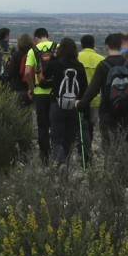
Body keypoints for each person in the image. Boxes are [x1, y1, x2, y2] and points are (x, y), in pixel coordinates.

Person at [78, 33, 128, 179]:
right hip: (127, 113)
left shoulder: (104, 65)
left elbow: (93, 90)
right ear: (120, 46)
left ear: (106, 46)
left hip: (108, 113)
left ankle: (112, 177)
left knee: (109, 147)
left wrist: (81, 104)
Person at [42, 38, 89, 166]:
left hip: (56, 104)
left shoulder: (55, 64)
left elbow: (45, 74)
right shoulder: (79, 66)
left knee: (56, 138)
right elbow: (85, 88)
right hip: (74, 106)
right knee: (69, 139)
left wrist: (52, 59)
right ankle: (66, 164)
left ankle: (60, 162)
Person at [25, 28, 56, 164]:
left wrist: (32, 90)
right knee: (56, 125)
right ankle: (58, 155)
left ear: (35, 38)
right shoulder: (57, 47)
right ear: (48, 36)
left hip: (40, 93)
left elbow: (27, 73)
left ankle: (44, 158)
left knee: (42, 126)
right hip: (56, 93)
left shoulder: (33, 50)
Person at [77, 35, 105, 152]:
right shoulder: (101, 59)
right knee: (91, 126)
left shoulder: (76, 57)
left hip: (79, 98)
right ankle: (87, 149)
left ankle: (83, 150)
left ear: (82, 45)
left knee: (81, 125)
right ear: (93, 45)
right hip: (96, 99)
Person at [8, 33, 34, 107]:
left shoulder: (16, 55)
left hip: (18, 87)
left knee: (19, 112)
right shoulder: (34, 54)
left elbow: (11, 73)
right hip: (31, 88)